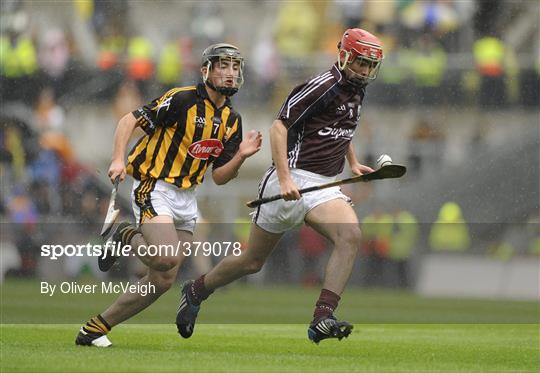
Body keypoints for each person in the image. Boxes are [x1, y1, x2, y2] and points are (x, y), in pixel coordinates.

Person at [177, 28, 383, 344]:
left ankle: (322, 318)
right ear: (343, 56)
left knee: (350, 235)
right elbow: (278, 128)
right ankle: (195, 290)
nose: (365, 71)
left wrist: (352, 163)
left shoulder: (358, 90)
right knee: (252, 262)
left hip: (324, 187)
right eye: (360, 63)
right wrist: (286, 179)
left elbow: (344, 127)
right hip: (290, 178)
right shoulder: (320, 86)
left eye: (370, 65)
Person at [75, 43, 262, 347]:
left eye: (235, 67)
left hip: (187, 197)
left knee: (163, 279)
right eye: (223, 66)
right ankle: (124, 235)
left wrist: (240, 156)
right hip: (155, 185)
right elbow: (129, 120)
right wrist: (118, 159)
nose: (230, 74)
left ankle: (95, 328)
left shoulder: (232, 121)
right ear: (206, 71)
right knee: (166, 257)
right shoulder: (182, 99)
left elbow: (219, 177)